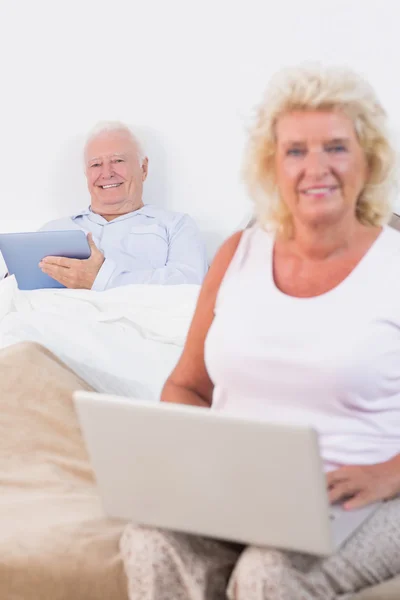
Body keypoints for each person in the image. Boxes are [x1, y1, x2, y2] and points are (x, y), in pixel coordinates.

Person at [120, 65, 400, 599]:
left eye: (336, 147)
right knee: (150, 540)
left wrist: (391, 474)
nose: (316, 168)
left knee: (269, 574)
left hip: (362, 497)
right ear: (273, 165)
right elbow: (186, 387)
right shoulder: (237, 255)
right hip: (241, 492)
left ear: (369, 160)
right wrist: (191, 462)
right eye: (296, 151)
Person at [39, 122, 208, 290]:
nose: (107, 173)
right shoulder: (52, 231)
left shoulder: (176, 226)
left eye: (118, 160)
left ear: (144, 168)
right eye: (96, 164)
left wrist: (102, 280)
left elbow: (190, 285)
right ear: (86, 174)